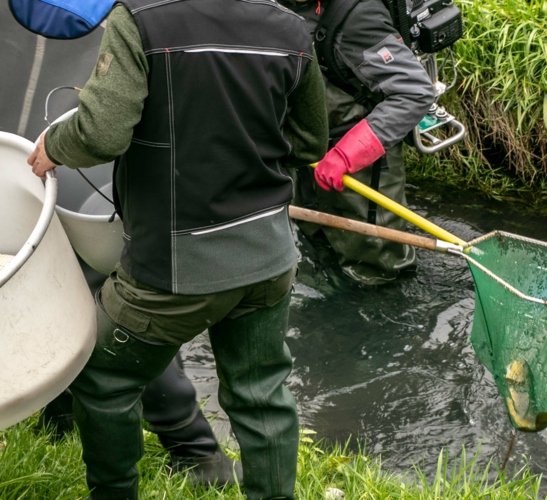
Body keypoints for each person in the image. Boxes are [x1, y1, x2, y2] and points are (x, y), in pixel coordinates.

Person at [25, 0, 329, 497]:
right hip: (269, 255)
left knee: (101, 376)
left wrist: (55, 144)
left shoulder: (141, 18)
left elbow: (102, 132)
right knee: (262, 396)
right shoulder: (290, 26)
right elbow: (310, 141)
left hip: (177, 260)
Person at [281, 0, 436, 286]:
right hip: (304, 153)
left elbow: (414, 92)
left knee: (377, 268)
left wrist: (345, 155)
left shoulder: (357, 16)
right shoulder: (273, 7)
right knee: (316, 249)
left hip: (359, 162)